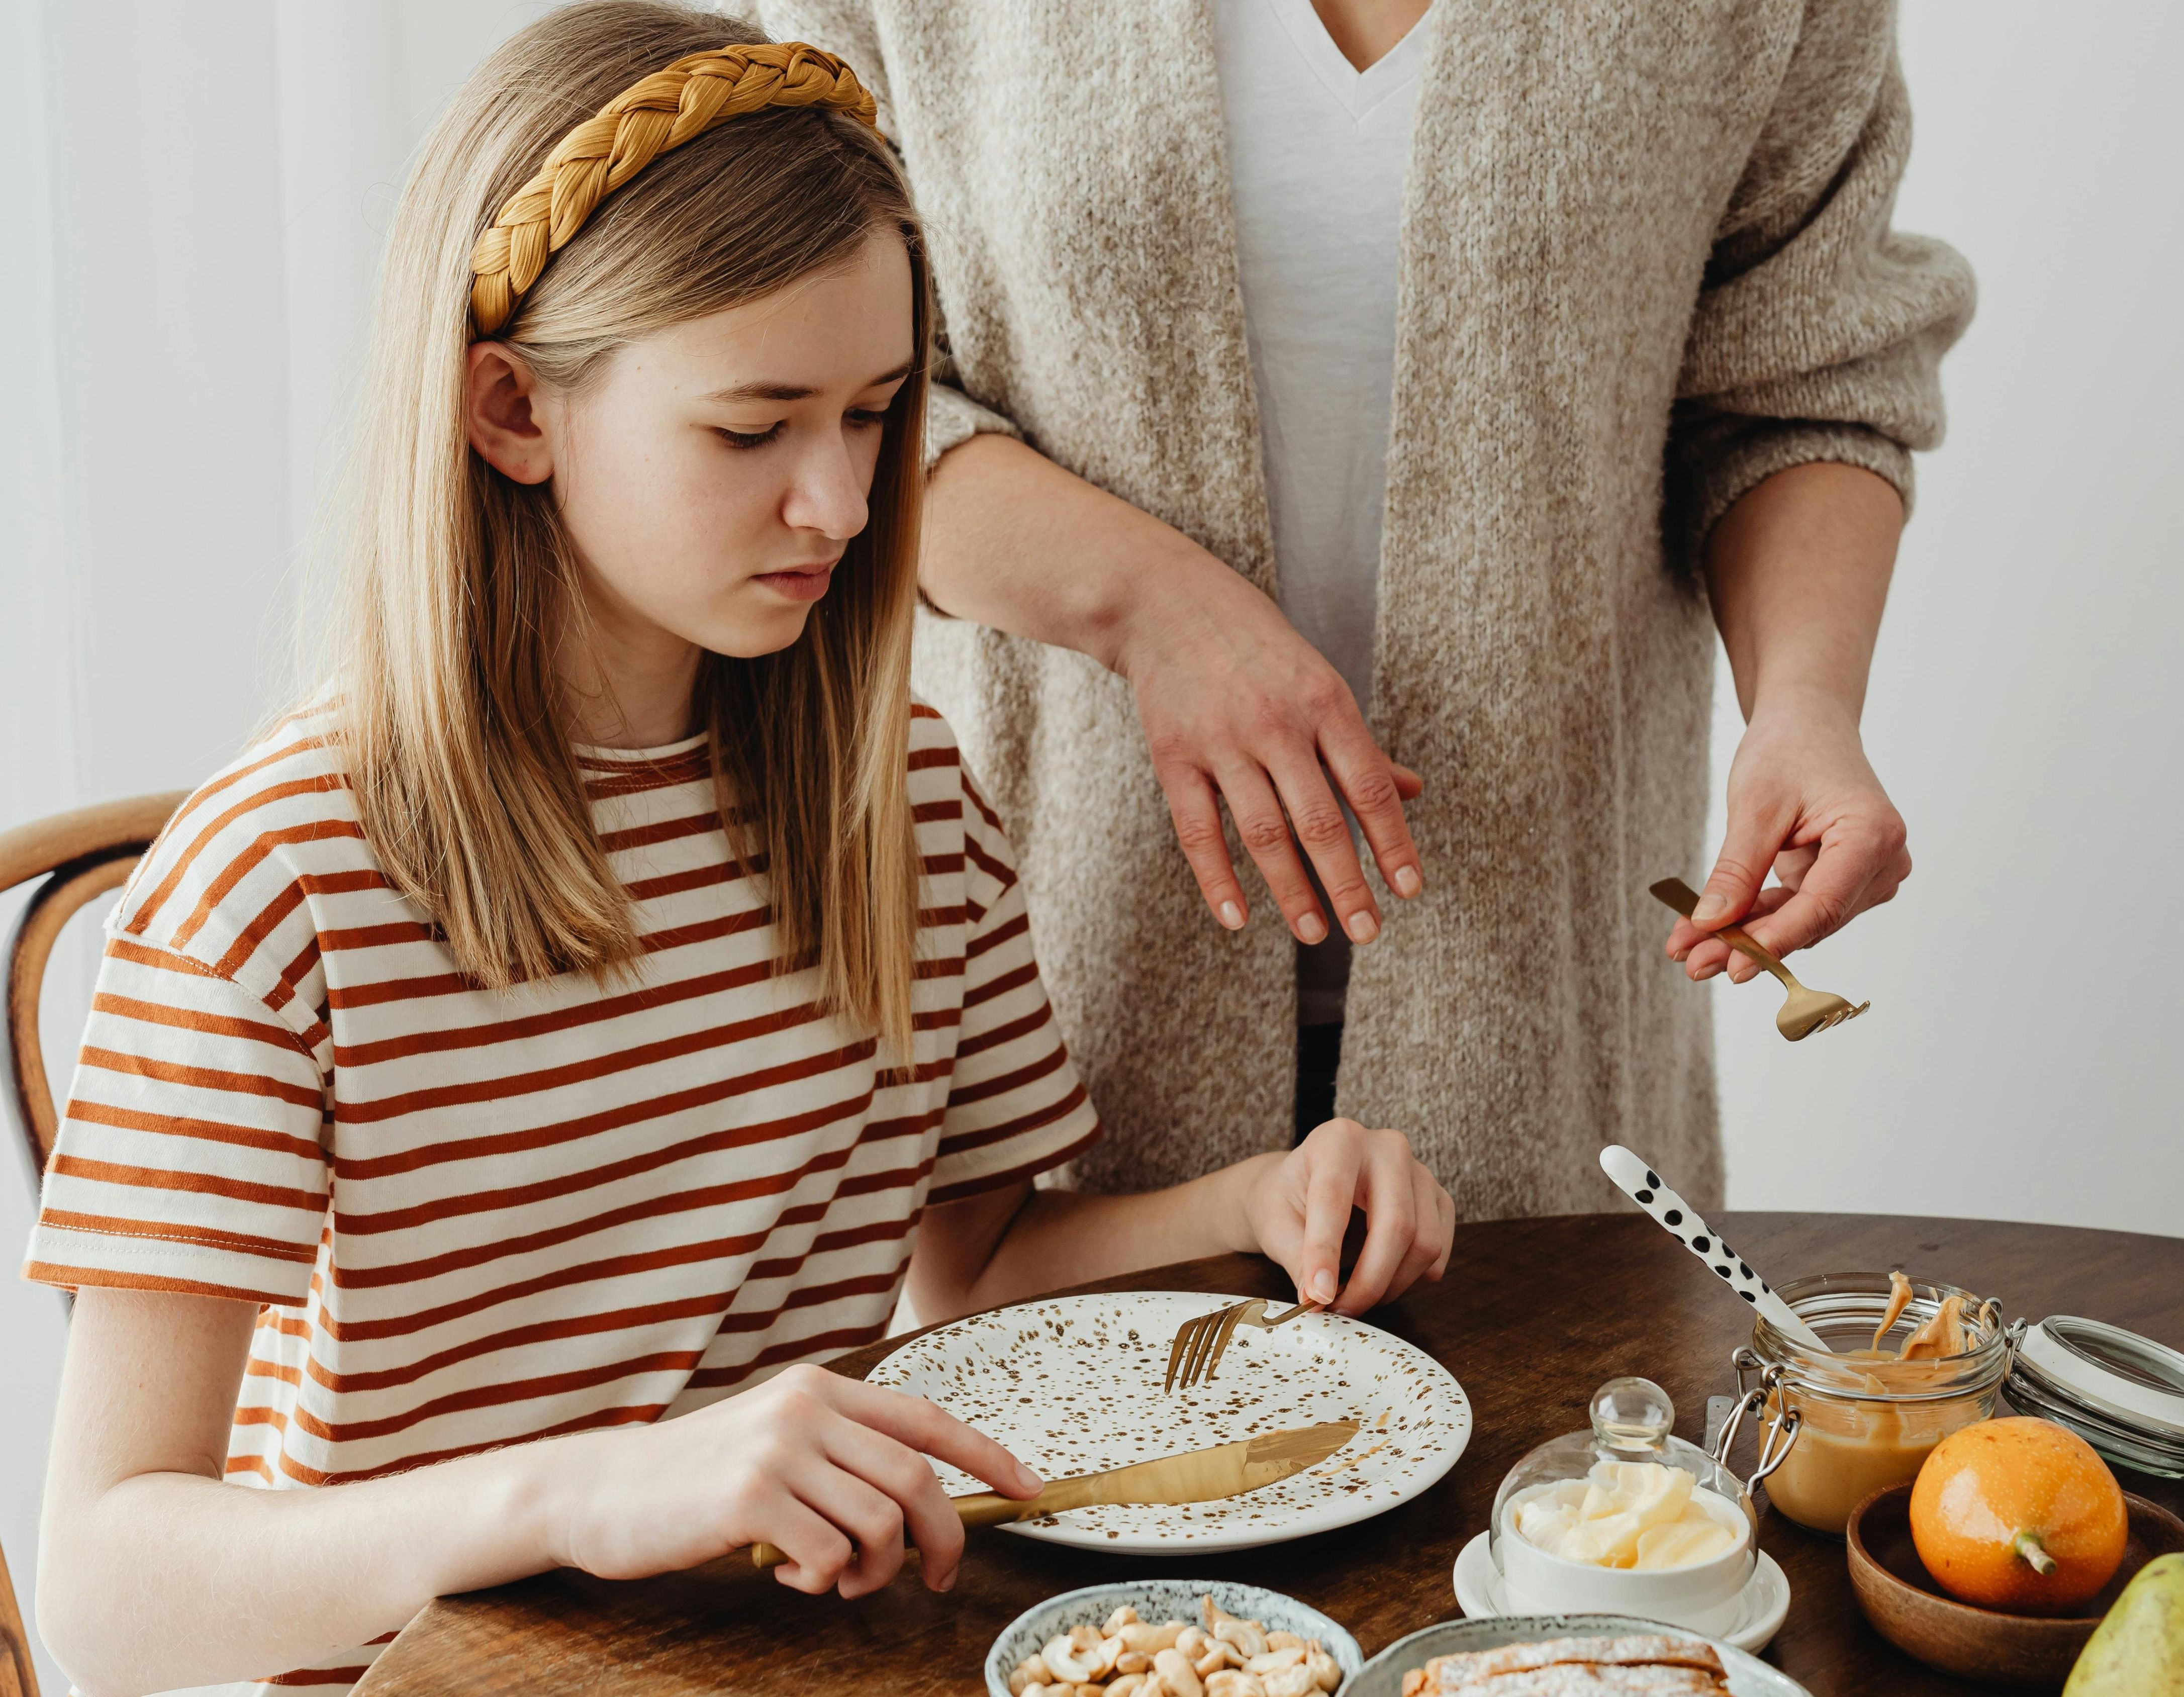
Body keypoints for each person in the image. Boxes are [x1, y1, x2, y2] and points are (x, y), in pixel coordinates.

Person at [24, 10, 1455, 1693]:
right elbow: (103, 1592)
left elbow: (969, 1272)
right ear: (507, 410)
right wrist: (594, 1490)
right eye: (752, 426)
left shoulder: (906, 803)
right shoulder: (276, 882)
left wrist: (1255, 1201)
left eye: (869, 415)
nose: (843, 506)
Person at [760, 0, 1972, 1208]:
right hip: (1062, 989)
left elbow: (1802, 379)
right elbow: (787, 382)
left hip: (1540, 1024)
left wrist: (1806, 704)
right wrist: (1149, 604)